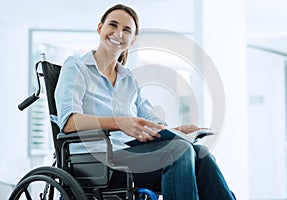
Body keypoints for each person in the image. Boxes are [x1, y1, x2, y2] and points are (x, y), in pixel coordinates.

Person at [54, 4, 235, 200]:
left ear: (132, 40)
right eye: (112, 25)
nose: (118, 33)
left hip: (130, 156)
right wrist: (118, 122)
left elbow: (149, 119)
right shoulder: (76, 67)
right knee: (178, 151)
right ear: (100, 28)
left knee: (200, 152)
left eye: (126, 30)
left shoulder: (128, 79)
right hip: (95, 162)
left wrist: (176, 131)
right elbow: (69, 122)